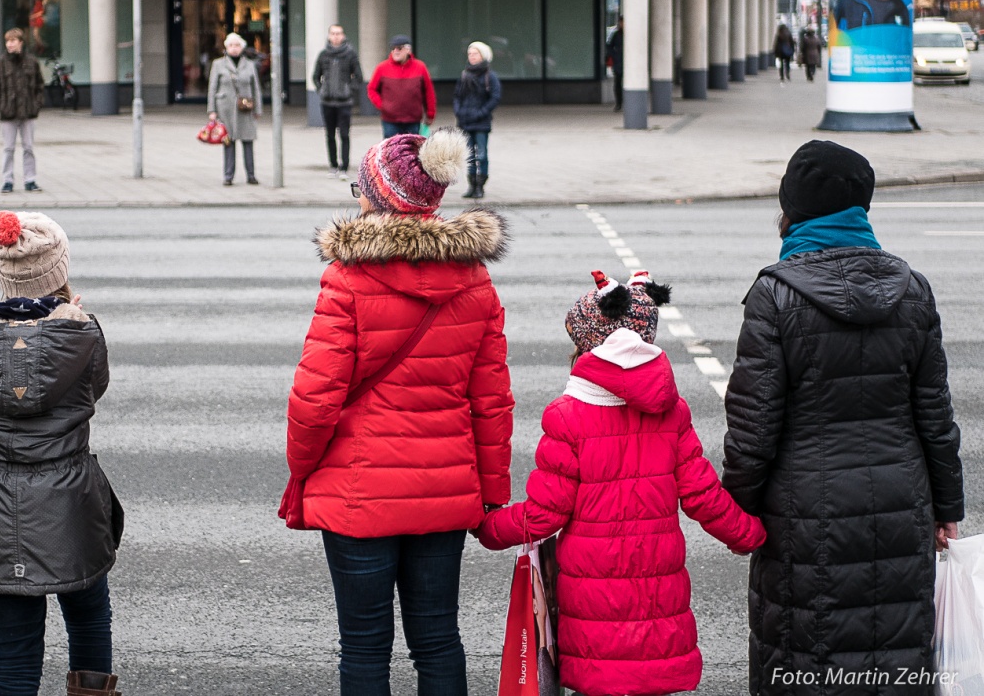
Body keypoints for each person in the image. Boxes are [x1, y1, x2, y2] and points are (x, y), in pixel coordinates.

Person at [722, 140, 964, 696]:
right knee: (894, 660)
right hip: (902, 503)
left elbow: (753, 428)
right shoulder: (912, 288)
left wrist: (738, 511)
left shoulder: (775, 294)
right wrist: (946, 506)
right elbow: (935, 415)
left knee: (808, 661)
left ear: (794, 209)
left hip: (805, 517)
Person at [283, 128, 514, 696]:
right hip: (443, 488)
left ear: (379, 198)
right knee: (438, 639)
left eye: (362, 186)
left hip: (359, 492)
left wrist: (304, 470)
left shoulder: (348, 279)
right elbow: (491, 402)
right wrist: (491, 492)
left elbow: (315, 400)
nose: (357, 195)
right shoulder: (476, 280)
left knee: (363, 646)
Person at [478, 270, 765, 696]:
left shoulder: (569, 415)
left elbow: (544, 513)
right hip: (658, 591)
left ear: (588, 347)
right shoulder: (672, 411)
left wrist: (486, 527)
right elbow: (703, 496)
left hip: (591, 598)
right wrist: (750, 535)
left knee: (602, 680)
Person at [0, 210, 124, 696]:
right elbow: (96, 390)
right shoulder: (84, 334)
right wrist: (73, 319)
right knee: (90, 619)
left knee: (13, 656)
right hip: (71, 507)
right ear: (60, 273)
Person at [0, 28, 46, 194]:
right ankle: (7, 181)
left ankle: (30, 180)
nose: (10, 44)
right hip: (8, 114)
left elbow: (40, 86)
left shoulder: (31, 62)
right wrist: (0, 105)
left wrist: (36, 104)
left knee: (28, 148)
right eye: (7, 41)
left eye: (13, 41)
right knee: (8, 149)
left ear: (21, 42)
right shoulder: (0, 63)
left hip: (28, 112)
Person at [207, 31, 263, 185]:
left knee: (248, 141)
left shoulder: (250, 65)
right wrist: (212, 110)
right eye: (231, 45)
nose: (234, 48)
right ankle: (228, 176)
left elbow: (256, 88)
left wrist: (258, 109)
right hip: (225, 109)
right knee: (228, 142)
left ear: (242, 47)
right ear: (226, 47)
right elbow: (212, 88)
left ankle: (251, 175)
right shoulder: (218, 64)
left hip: (246, 108)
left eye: (237, 45)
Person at [311, 24, 363, 179]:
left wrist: (349, 90)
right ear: (329, 36)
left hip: (344, 103)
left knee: (345, 135)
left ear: (343, 35)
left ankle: (344, 167)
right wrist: (322, 89)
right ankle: (333, 165)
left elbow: (359, 77)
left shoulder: (350, 54)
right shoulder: (323, 55)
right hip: (327, 102)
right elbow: (315, 76)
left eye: (339, 33)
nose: (336, 36)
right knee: (329, 135)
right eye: (333, 33)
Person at [453, 40, 501, 200]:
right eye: (470, 54)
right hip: (465, 122)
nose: (472, 57)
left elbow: (495, 97)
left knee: (481, 154)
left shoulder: (489, 76)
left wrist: (482, 112)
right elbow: (457, 96)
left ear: (483, 55)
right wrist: (458, 111)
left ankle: (480, 185)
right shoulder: (465, 74)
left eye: (475, 53)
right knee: (469, 156)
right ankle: (471, 185)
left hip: (481, 123)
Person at [366, 34, 436, 138]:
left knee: (412, 152)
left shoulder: (420, 67)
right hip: (390, 121)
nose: (395, 51)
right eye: (393, 48)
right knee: (391, 152)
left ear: (408, 50)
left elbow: (428, 92)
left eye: (399, 48)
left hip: (413, 120)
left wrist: (430, 114)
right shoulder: (382, 68)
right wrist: (383, 105)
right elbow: (371, 89)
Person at [604, 15, 624, 111]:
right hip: (618, 63)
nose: (622, 24)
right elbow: (609, 46)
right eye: (621, 22)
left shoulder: (631, 35)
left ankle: (625, 102)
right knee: (618, 84)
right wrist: (614, 55)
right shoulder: (616, 35)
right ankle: (619, 103)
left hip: (629, 64)